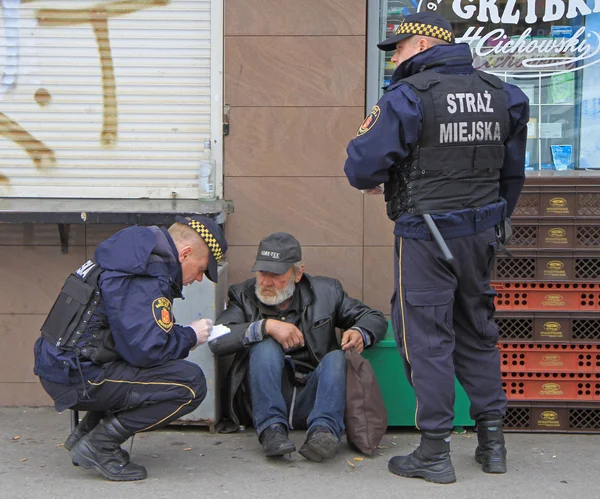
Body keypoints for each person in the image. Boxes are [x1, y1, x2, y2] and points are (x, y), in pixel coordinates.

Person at [343, 12, 529, 484]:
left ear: (423, 44)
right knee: (477, 331)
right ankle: (492, 444)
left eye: (399, 49)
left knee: (425, 339)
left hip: (427, 237)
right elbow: (511, 174)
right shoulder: (502, 93)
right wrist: (491, 219)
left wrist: (384, 181)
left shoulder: (408, 97)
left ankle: (433, 451)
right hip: (480, 233)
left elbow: (362, 167)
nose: (395, 60)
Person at [33, 215, 228, 481]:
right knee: (190, 384)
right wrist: (191, 336)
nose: (198, 279)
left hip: (61, 365)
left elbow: (132, 337)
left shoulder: (129, 255)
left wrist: (181, 335)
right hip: (78, 375)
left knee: (145, 370)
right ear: (185, 253)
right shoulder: (143, 272)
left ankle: (86, 432)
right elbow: (146, 351)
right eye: (201, 269)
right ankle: (100, 445)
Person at [209, 232, 387, 462]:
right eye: (262, 273)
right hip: (264, 400)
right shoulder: (243, 295)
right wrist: (264, 326)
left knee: (336, 357)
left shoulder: (327, 292)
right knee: (263, 345)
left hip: (316, 396)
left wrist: (360, 332)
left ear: (298, 273)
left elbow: (373, 316)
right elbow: (217, 339)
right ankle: (271, 430)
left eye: (276, 275)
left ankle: (324, 433)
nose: (266, 282)